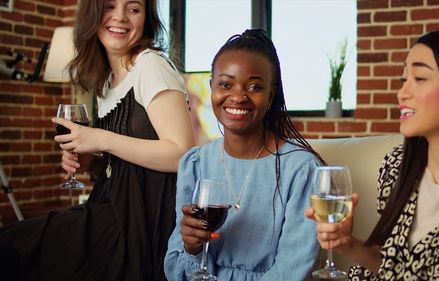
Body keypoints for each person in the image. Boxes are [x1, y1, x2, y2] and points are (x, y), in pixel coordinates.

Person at [0, 0, 194, 280]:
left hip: (143, 223)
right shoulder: (107, 81)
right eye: (109, 6)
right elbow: (122, 167)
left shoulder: (151, 66)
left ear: (146, 19)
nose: (120, 17)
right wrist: (91, 162)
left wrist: (100, 138)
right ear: (92, 14)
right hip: (111, 208)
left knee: (16, 245)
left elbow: (182, 154)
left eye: (133, 9)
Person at [305, 28, 439, 280]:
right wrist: (348, 244)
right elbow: (394, 269)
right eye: (403, 80)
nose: (402, 93)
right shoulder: (398, 167)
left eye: (419, 78)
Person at [164, 29, 325, 281]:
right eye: (225, 84)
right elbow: (176, 269)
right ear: (212, 88)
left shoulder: (301, 170)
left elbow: (292, 270)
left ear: (270, 95)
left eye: (254, 86)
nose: (238, 96)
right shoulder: (195, 163)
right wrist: (191, 247)